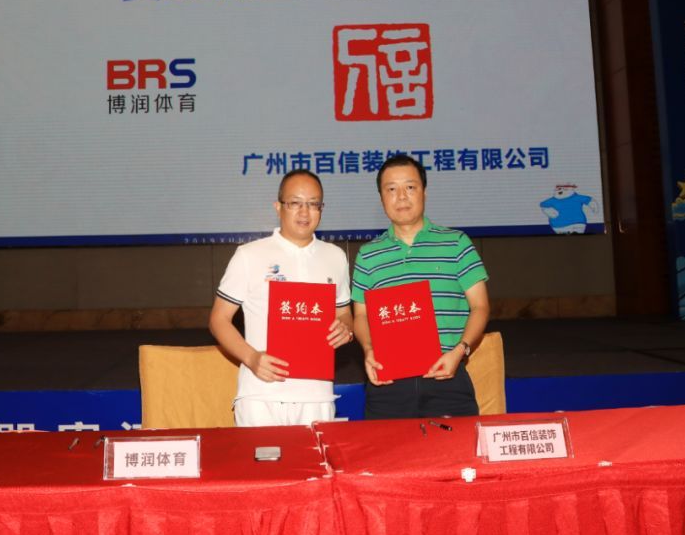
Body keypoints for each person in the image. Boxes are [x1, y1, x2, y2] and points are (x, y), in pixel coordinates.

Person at [209, 169, 354, 426]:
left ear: (321, 209)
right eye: (295, 203)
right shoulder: (249, 255)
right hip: (261, 394)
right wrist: (252, 358)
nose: (304, 212)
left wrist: (346, 329)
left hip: (317, 395)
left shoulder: (335, 256)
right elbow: (219, 320)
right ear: (278, 207)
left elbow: (344, 313)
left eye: (313, 204)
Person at [352, 154, 490, 419]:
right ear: (381, 198)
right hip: (387, 384)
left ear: (424, 192)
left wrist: (460, 351)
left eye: (410, 187)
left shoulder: (456, 243)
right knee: (386, 448)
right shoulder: (368, 254)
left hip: (447, 378)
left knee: (457, 447)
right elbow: (360, 315)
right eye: (391, 189)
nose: (401, 197)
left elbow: (480, 307)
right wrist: (368, 350)